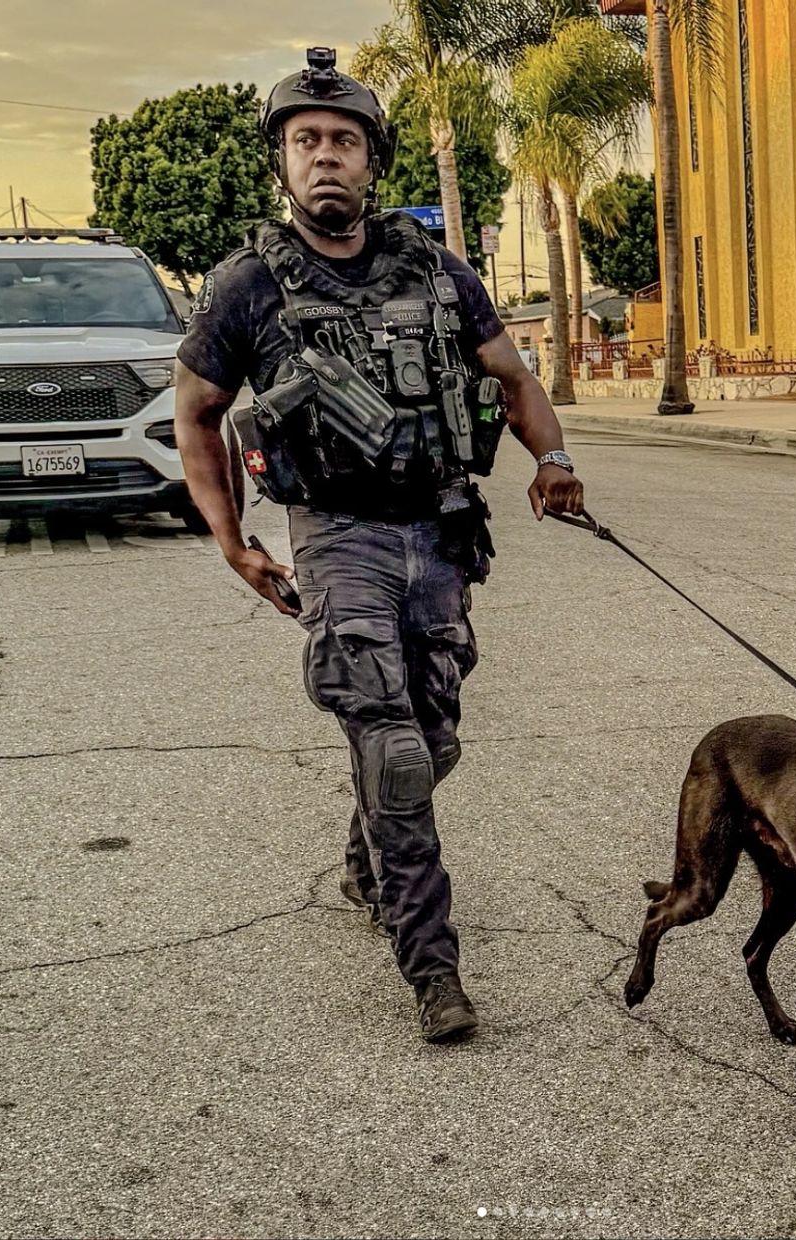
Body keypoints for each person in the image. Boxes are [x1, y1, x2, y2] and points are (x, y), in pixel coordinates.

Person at [173, 47, 584, 1042]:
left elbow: (513, 377)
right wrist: (232, 541)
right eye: (305, 141)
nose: (325, 156)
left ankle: (369, 861)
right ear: (282, 162)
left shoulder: (438, 272)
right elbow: (196, 414)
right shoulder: (246, 287)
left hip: (438, 531)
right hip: (336, 536)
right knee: (394, 750)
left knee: (433, 737)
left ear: (371, 161)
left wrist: (553, 458)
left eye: (344, 141)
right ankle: (432, 969)